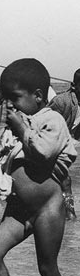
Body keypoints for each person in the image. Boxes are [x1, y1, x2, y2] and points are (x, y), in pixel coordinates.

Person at [0, 58, 76, 276]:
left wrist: (22, 128)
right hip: (19, 209)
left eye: (15, 98)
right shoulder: (19, 122)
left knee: (47, 268)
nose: (9, 104)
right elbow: (1, 158)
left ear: (37, 96)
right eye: (6, 98)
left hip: (47, 208)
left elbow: (43, 154)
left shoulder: (51, 119)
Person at [47, 68, 80, 220]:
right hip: (49, 143)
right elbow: (43, 119)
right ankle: (69, 215)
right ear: (74, 85)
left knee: (62, 180)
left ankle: (66, 214)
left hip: (65, 145)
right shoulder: (62, 101)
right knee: (64, 180)